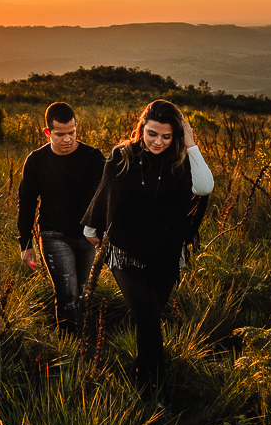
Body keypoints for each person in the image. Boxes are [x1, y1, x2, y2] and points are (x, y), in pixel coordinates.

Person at [82, 99, 214, 401]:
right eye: (152, 134)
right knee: (150, 320)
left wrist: (191, 143)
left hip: (165, 256)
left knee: (148, 320)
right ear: (142, 128)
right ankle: (154, 394)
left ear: (176, 136)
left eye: (167, 136)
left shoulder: (180, 164)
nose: (158, 142)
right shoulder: (123, 156)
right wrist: (92, 228)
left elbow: (205, 187)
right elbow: (106, 191)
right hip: (125, 253)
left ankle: (141, 381)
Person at [17, 102, 106, 336]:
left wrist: (102, 230)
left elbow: (103, 194)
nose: (67, 139)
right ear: (47, 132)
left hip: (87, 237)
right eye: (60, 134)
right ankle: (69, 348)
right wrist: (25, 244)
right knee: (67, 293)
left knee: (82, 292)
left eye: (71, 133)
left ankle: (86, 342)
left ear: (77, 127)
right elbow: (26, 203)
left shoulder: (93, 157)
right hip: (54, 234)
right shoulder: (36, 161)